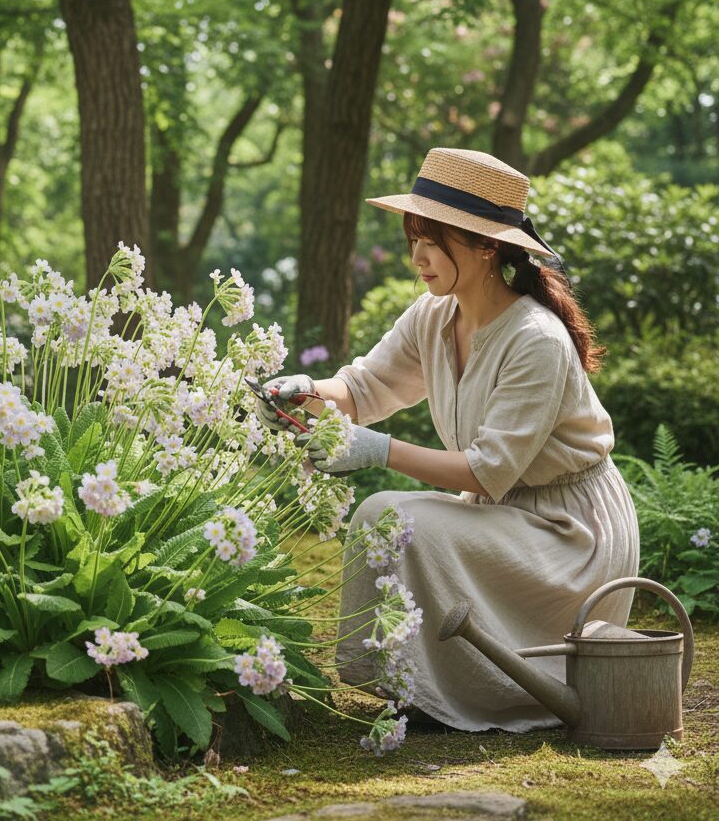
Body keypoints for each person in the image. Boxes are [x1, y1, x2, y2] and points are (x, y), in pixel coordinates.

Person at [256, 147, 640, 733]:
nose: (417, 256)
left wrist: (376, 450)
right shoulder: (434, 316)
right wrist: (305, 391)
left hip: (571, 537)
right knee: (389, 517)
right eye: (414, 238)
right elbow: (365, 387)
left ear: (487, 246)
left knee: (388, 512)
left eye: (434, 242)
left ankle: (450, 689)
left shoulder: (535, 338)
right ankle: (407, 685)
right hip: (502, 514)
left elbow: (488, 470)